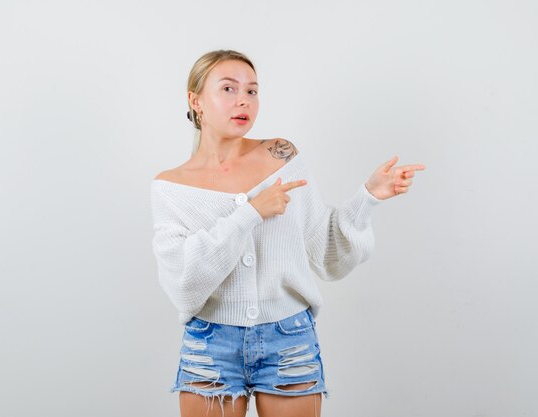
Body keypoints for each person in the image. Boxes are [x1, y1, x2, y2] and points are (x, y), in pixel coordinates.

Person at [150, 49, 426, 417]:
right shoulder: (171, 187)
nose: (243, 101)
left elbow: (325, 248)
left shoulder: (282, 155)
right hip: (210, 344)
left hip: (288, 339)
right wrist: (250, 213)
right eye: (228, 89)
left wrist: (368, 197)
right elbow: (184, 282)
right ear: (195, 100)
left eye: (252, 91)